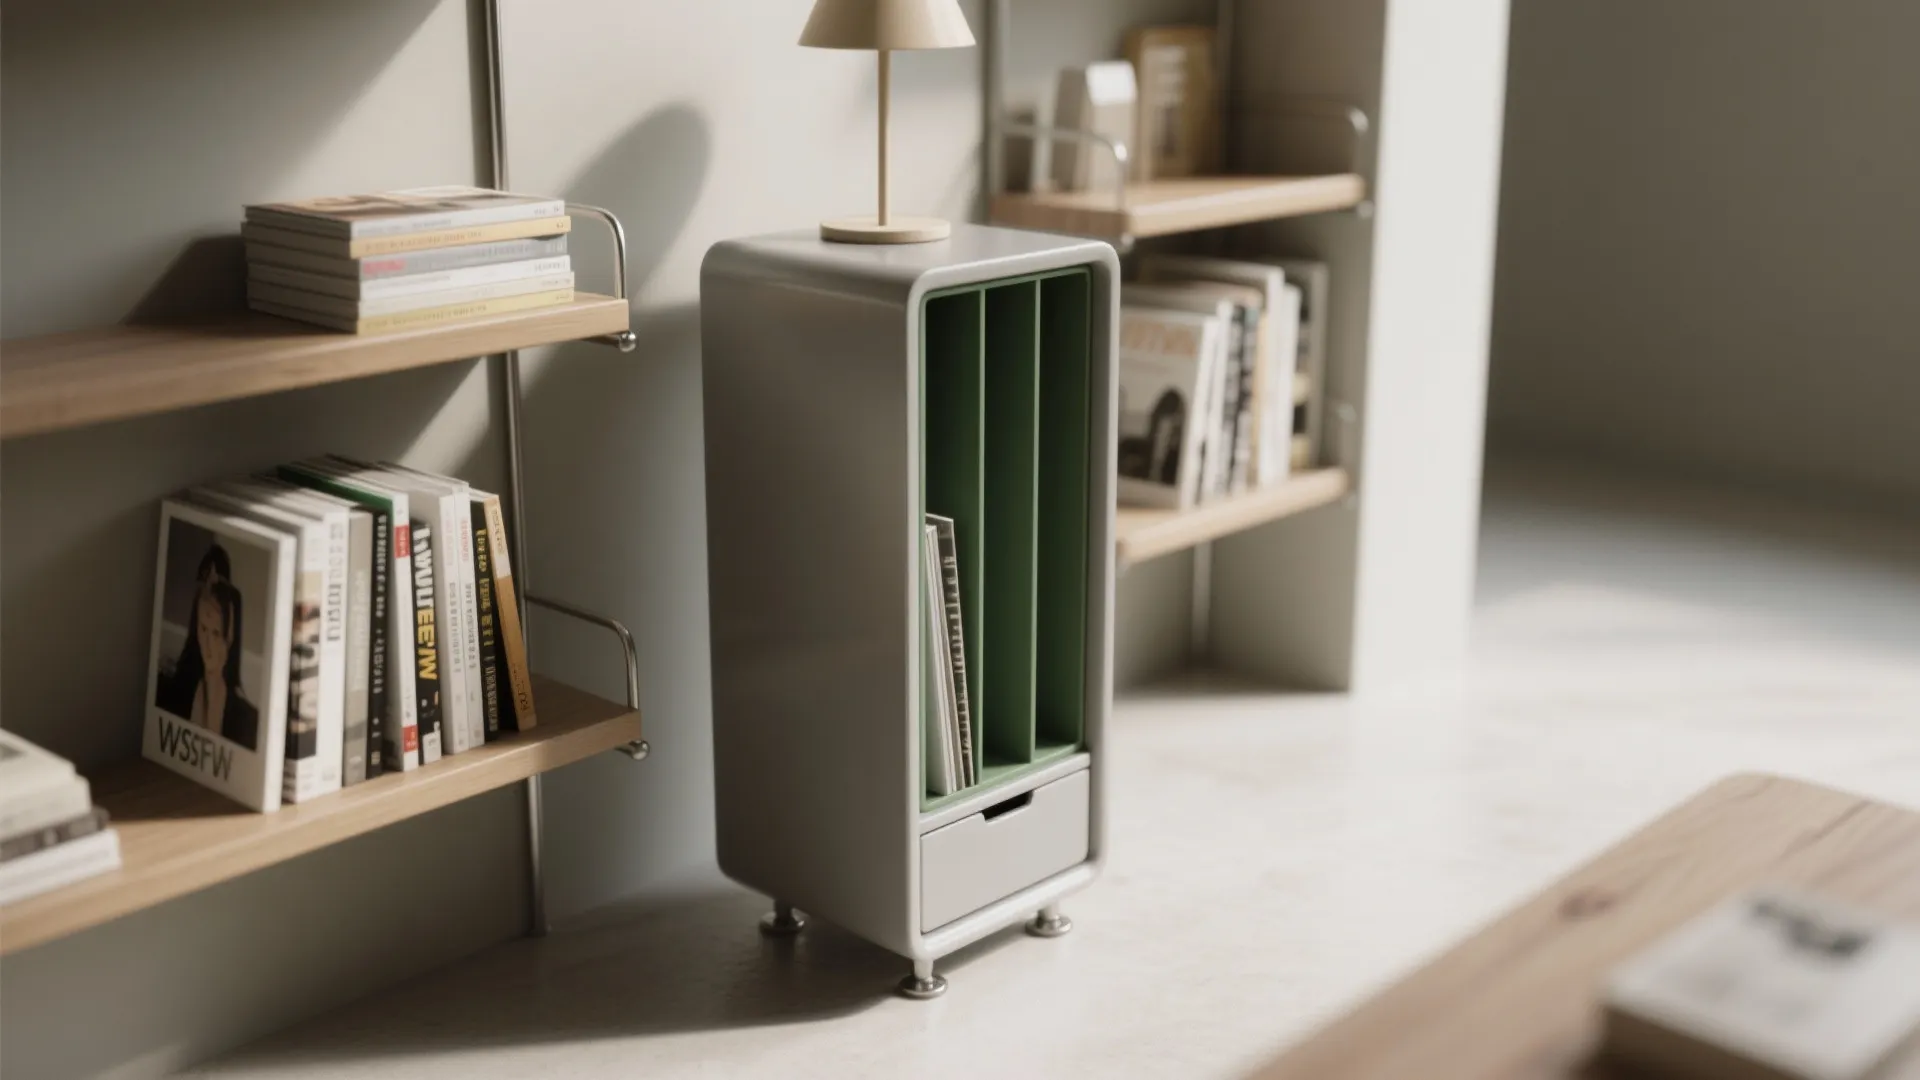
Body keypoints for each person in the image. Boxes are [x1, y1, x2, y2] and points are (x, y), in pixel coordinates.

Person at [156, 543, 259, 750]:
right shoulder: (170, 693)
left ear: (229, 637)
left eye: (216, 633)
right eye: (203, 629)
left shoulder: (245, 719)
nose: (209, 645)